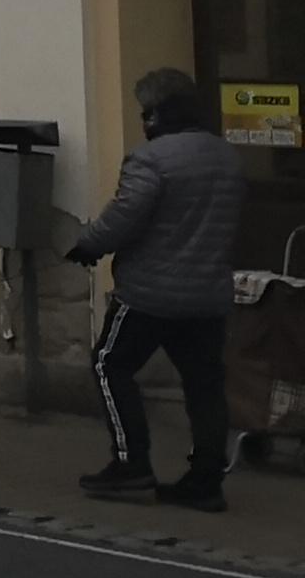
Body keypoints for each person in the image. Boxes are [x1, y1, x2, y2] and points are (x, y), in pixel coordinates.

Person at [75, 66, 246, 514]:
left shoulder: (151, 160)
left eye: (144, 113)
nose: (142, 121)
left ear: (156, 114)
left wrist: (87, 246)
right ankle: (206, 481)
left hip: (149, 294)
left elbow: (124, 217)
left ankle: (131, 466)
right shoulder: (225, 156)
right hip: (207, 294)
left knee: (110, 364)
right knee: (204, 386)